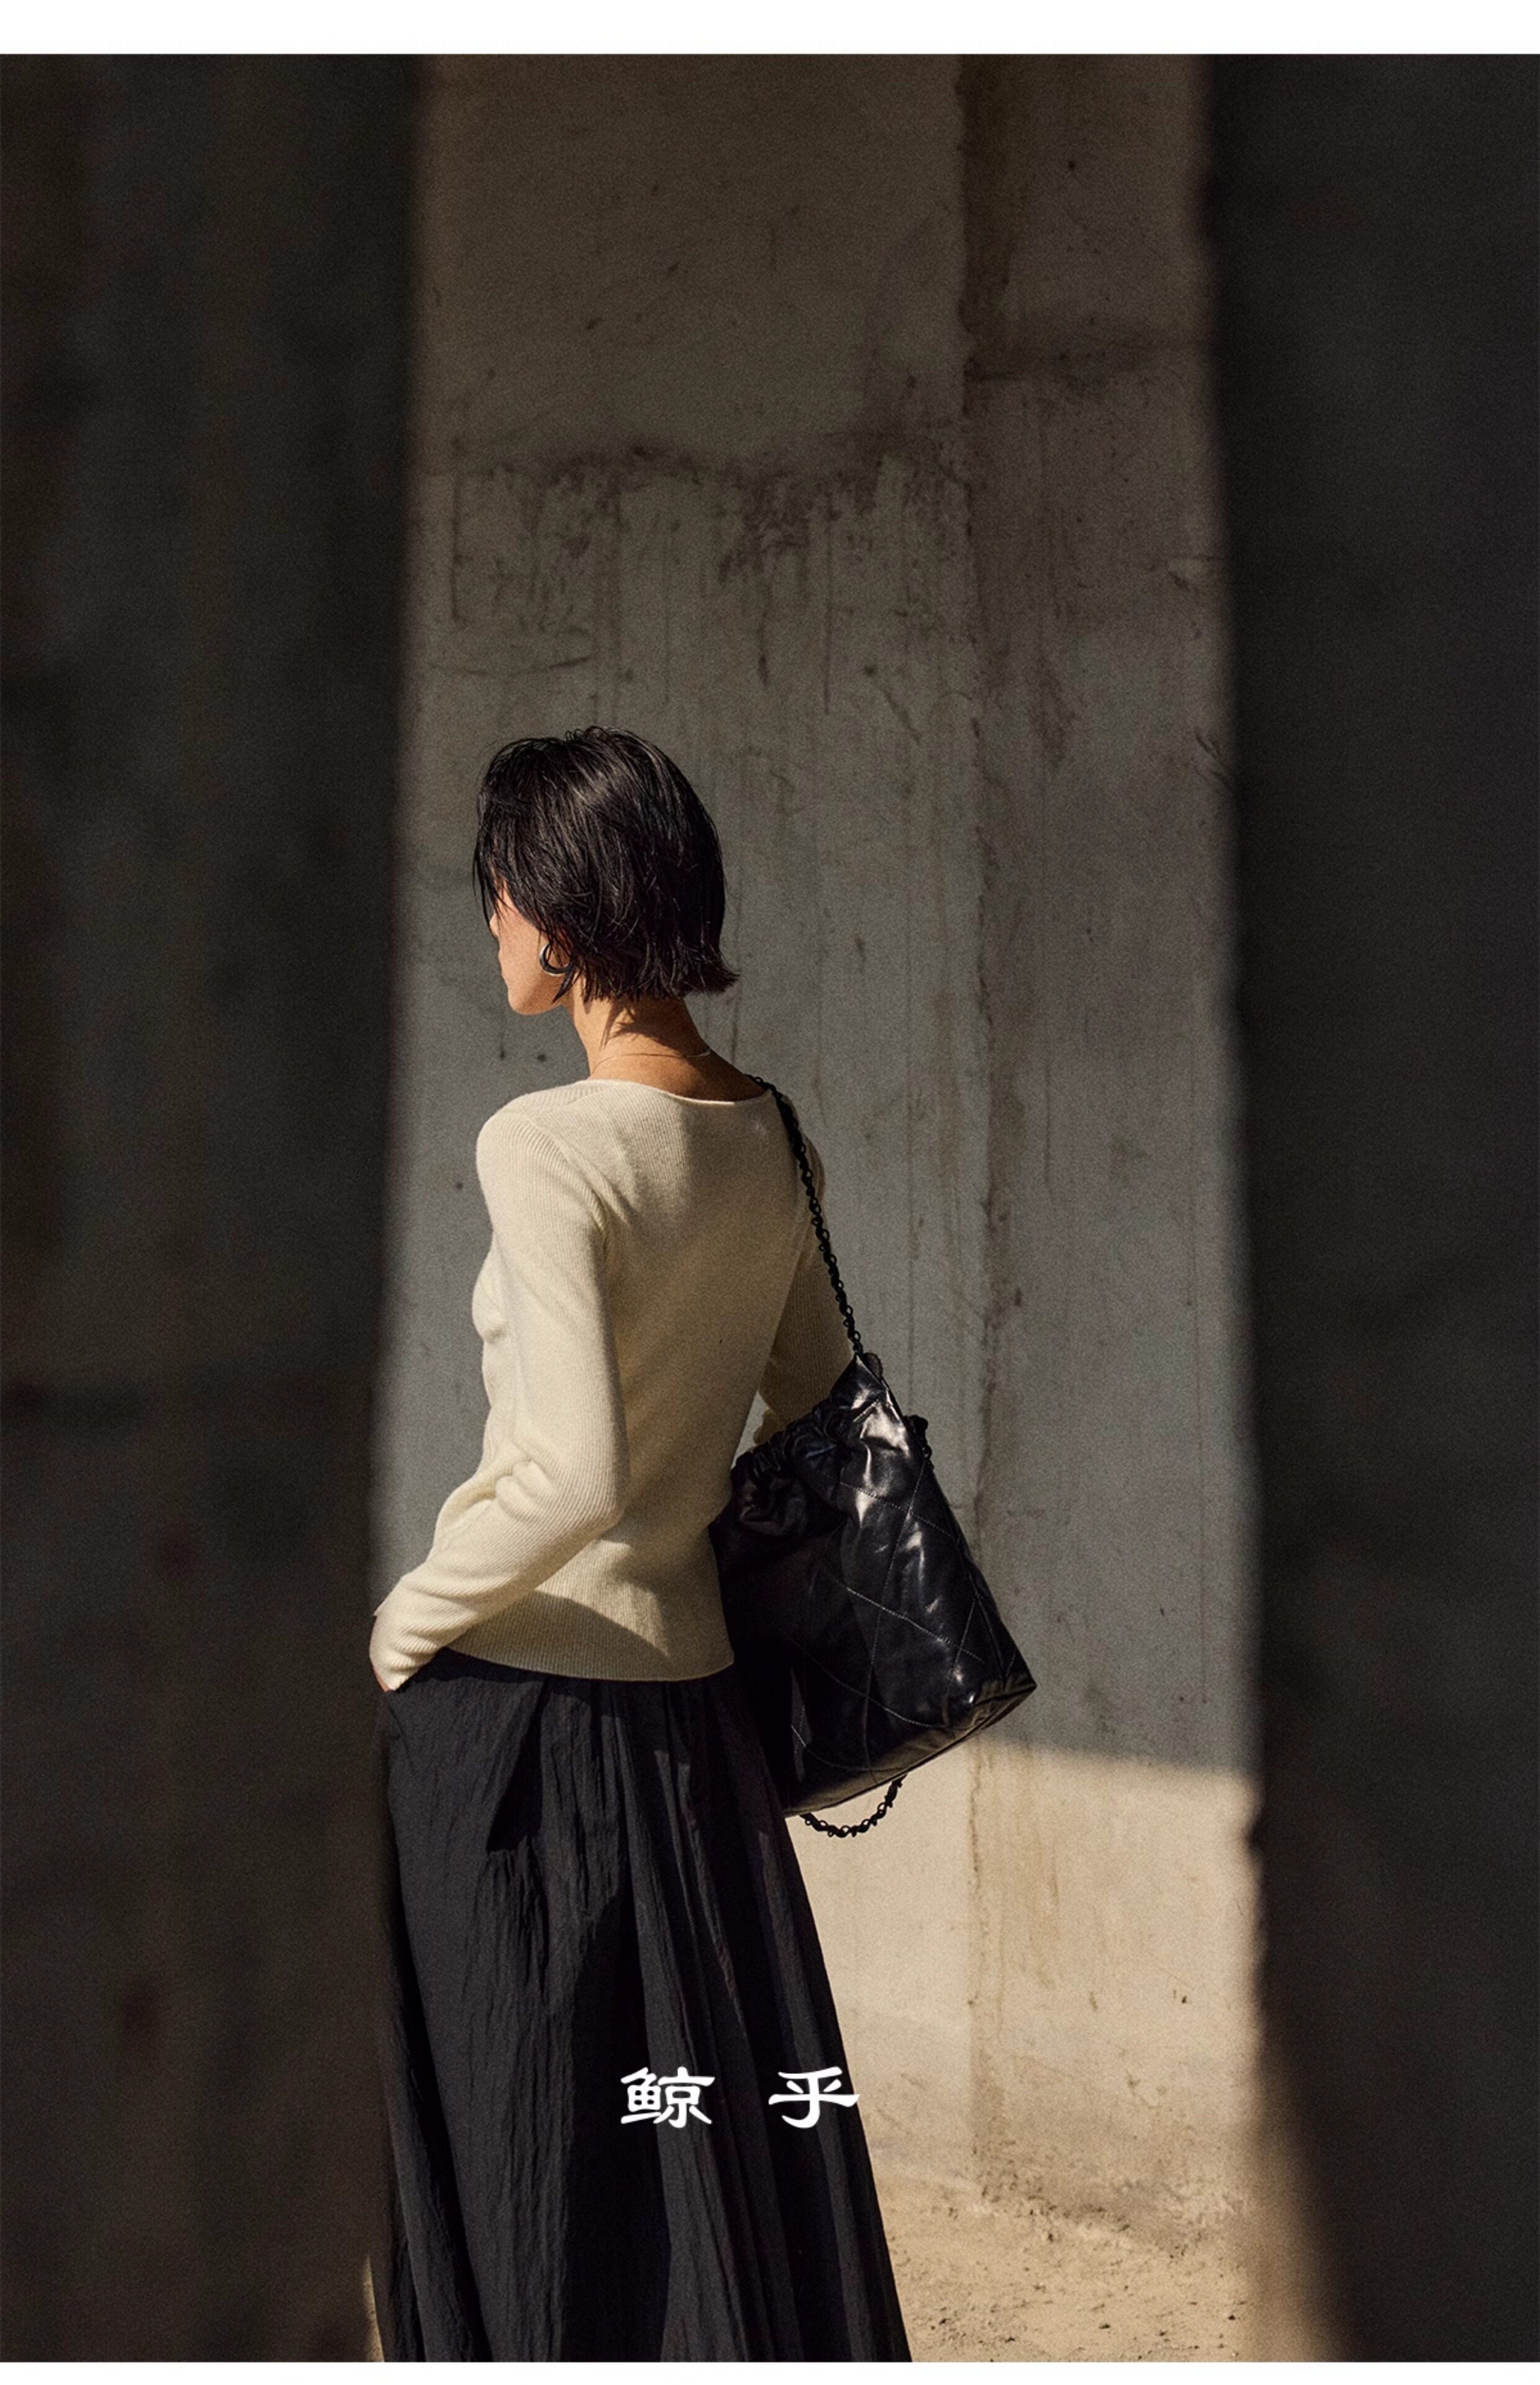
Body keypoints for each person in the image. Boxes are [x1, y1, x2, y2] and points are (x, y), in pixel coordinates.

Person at [367, 726, 912, 2360]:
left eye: (498, 894)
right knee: (689, 2167)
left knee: (519, 2158)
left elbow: (573, 1472)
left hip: (516, 1730)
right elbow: (814, 1401)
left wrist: (403, 1622)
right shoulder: (769, 1134)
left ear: (559, 907)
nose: (491, 926)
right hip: (694, 1733)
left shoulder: (542, 1143)